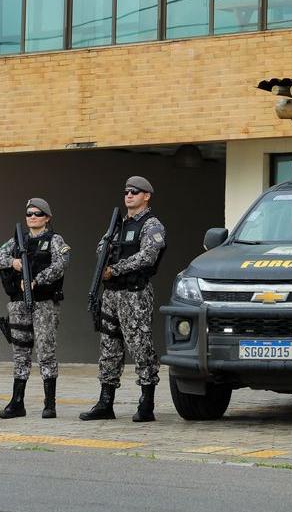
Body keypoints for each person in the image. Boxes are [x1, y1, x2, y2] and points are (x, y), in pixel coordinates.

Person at [80, 176, 166, 422]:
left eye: (135, 192)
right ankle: (105, 402)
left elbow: (148, 256)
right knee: (109, 348)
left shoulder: (152, 225)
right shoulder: (117, 225)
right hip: (111, 294)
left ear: (146, 196)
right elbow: (100, 249)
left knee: (140, 346)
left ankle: (146, 403)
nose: (129, 195)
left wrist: (115, 269)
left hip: (134, 293)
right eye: (127, 191)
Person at [0, 198, 70, 419]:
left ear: (47, 218)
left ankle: (49, 403)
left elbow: (61, 265)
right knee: (20, 353)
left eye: (38, 214)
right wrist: (12, 262)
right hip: (18, 304)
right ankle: (17, 402)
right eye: (29, 213)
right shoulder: (17, 241)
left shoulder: (54, 240)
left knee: (46, 352)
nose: (32, 217)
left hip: (44, 303)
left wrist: (36, 280)